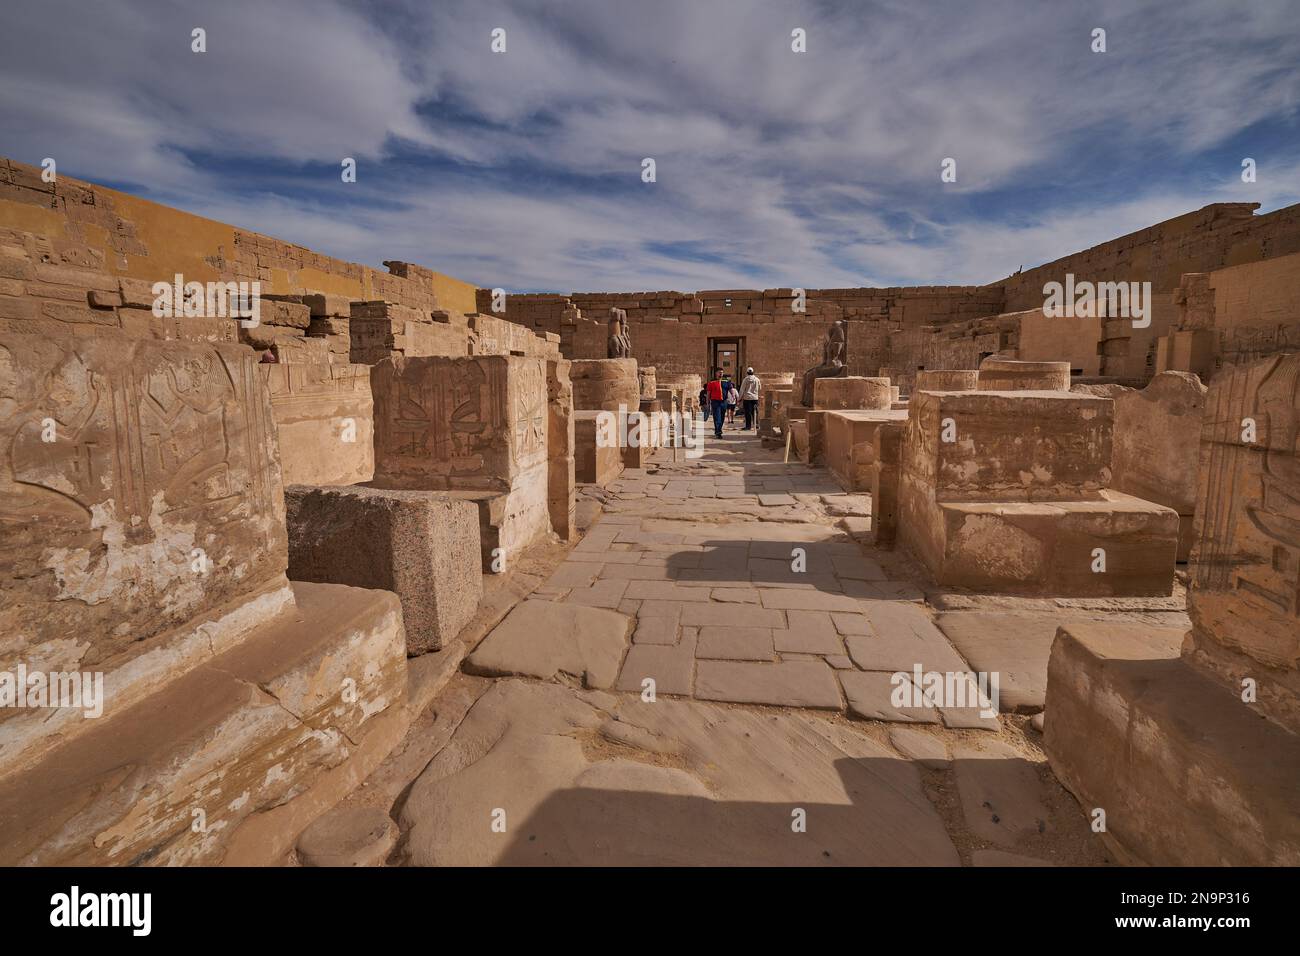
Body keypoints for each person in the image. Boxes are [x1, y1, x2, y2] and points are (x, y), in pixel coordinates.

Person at [705, 368, 727, 438]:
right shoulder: (711, 383)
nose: (721, 374)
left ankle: (718, 429)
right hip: (715, 402)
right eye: (719, 372)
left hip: (723, 402)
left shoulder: (725, 382)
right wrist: (708, 403)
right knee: (717, 417)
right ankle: (718, 432)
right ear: (716, 373)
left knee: (722, 417)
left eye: (722, 372)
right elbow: (708, 394)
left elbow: (730, 390)